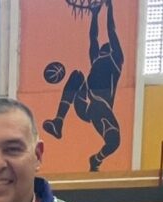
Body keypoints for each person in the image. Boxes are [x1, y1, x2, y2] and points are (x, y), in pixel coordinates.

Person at [41, 0, 123, 172]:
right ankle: (58, 122)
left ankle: (96, 159)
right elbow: (93, 37)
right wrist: (94, 15)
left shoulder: (115, 60)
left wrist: (110, 8)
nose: (100, 50)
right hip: (86, 106)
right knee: (77, 75)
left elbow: (111, 31)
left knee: (114, 141)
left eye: (103, 49)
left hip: (101, 107)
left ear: (109, 51)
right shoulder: (96, 59)